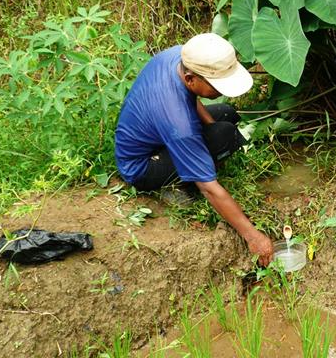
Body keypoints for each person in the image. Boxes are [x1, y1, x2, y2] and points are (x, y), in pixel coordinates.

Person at [114, 33, 273, 266]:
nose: (222, 91)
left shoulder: (180, 57)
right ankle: (176, 186)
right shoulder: (179, 123)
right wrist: (253, 237)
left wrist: (212, 129)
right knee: (225, 135)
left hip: (158, 131)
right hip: (142, 166)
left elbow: (191, 100)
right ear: (190, 79)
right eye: (217, 85)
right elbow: (208, 188)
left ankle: (202, 152)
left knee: (227, 116)